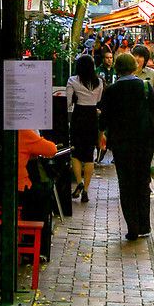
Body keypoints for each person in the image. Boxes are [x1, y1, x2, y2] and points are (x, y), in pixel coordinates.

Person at [98, 53, 154, 240]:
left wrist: (102, 135)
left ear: (117, 68)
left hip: (121, 144)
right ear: (134, 66)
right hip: (144, 143)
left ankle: (132, 227)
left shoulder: (111, 90)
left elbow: (104, 118)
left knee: (126, 185)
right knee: (143, 183)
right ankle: (145, 225)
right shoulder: (144, 86)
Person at [66, 55, 104, 202]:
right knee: (89, 155)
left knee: (75, 152)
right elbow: (99, 100)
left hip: (79, 116)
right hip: (92, 117)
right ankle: (86, 190)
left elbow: (68, 102)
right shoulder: (99, 82)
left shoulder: (73, 80)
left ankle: (79, 182)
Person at [17, 129, 58, 256]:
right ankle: (37, 246)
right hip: (20, 187)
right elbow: (51, 149)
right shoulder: (23, 132)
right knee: (43, 194)